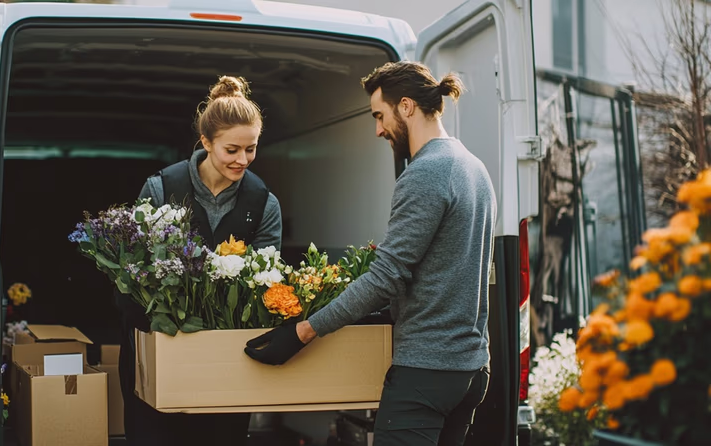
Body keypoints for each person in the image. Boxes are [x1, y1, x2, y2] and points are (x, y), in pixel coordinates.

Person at [241, 61, 494, 446]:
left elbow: (385, 277)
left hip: (426, 371)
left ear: (406, 106)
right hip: (471, 369)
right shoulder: (474, 167)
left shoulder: (427, 173)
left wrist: (302, 332)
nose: (378, 129)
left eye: (380, 115)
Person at [115, 75, 282, 446]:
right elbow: (135, 269)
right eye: (232, 150)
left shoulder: (264, 203)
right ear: (206, 142)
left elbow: (266, 280)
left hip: (226, 358)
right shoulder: (161, 187)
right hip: (161, 345)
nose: (243, 160)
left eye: (251, 149)